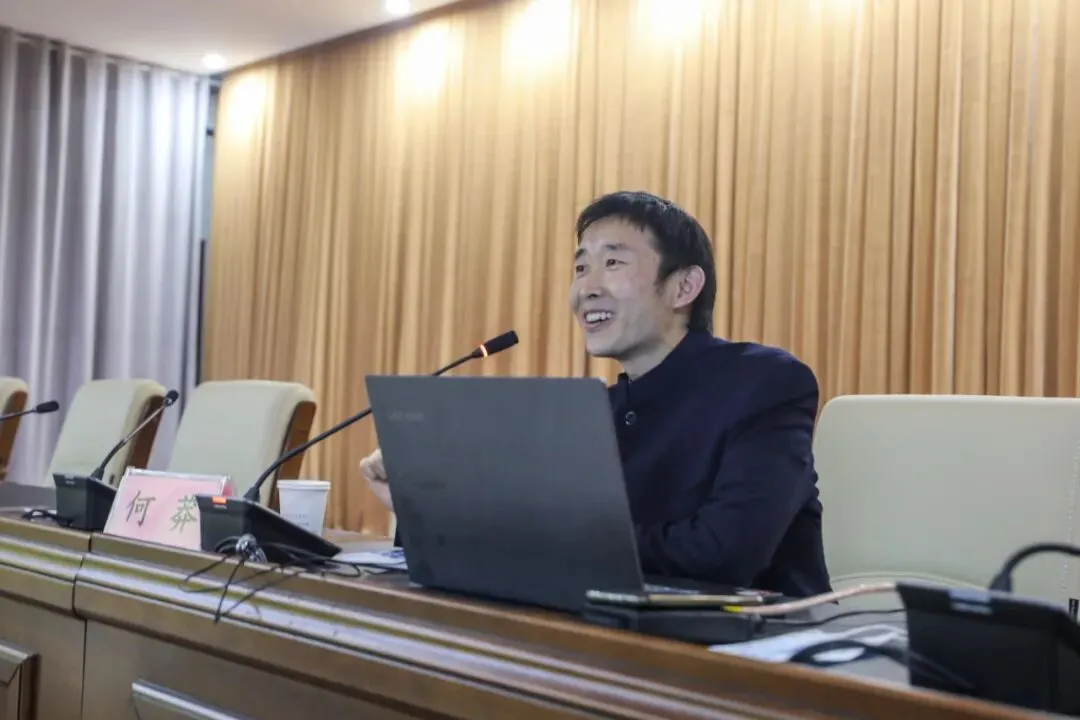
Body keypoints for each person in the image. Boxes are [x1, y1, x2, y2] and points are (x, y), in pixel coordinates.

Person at [361, 190, 831, 597]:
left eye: (612, 263)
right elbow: (532, 538)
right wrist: (423, 504)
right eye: (581, 267)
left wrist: (550, 542)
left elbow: (723, 553)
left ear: (684, 286)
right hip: (613, 636)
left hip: (753, 652)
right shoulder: (595, 411)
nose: (586, 288)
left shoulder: (765, 383)